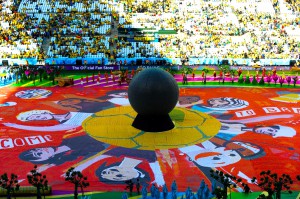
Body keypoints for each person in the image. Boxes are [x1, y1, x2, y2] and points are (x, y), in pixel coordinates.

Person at [19, 134, 109, 173]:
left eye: (36, 150)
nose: (40, 150)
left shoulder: (66, 138)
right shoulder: (73, 156)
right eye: (39, 154)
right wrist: (49, 166)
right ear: (44, 159)